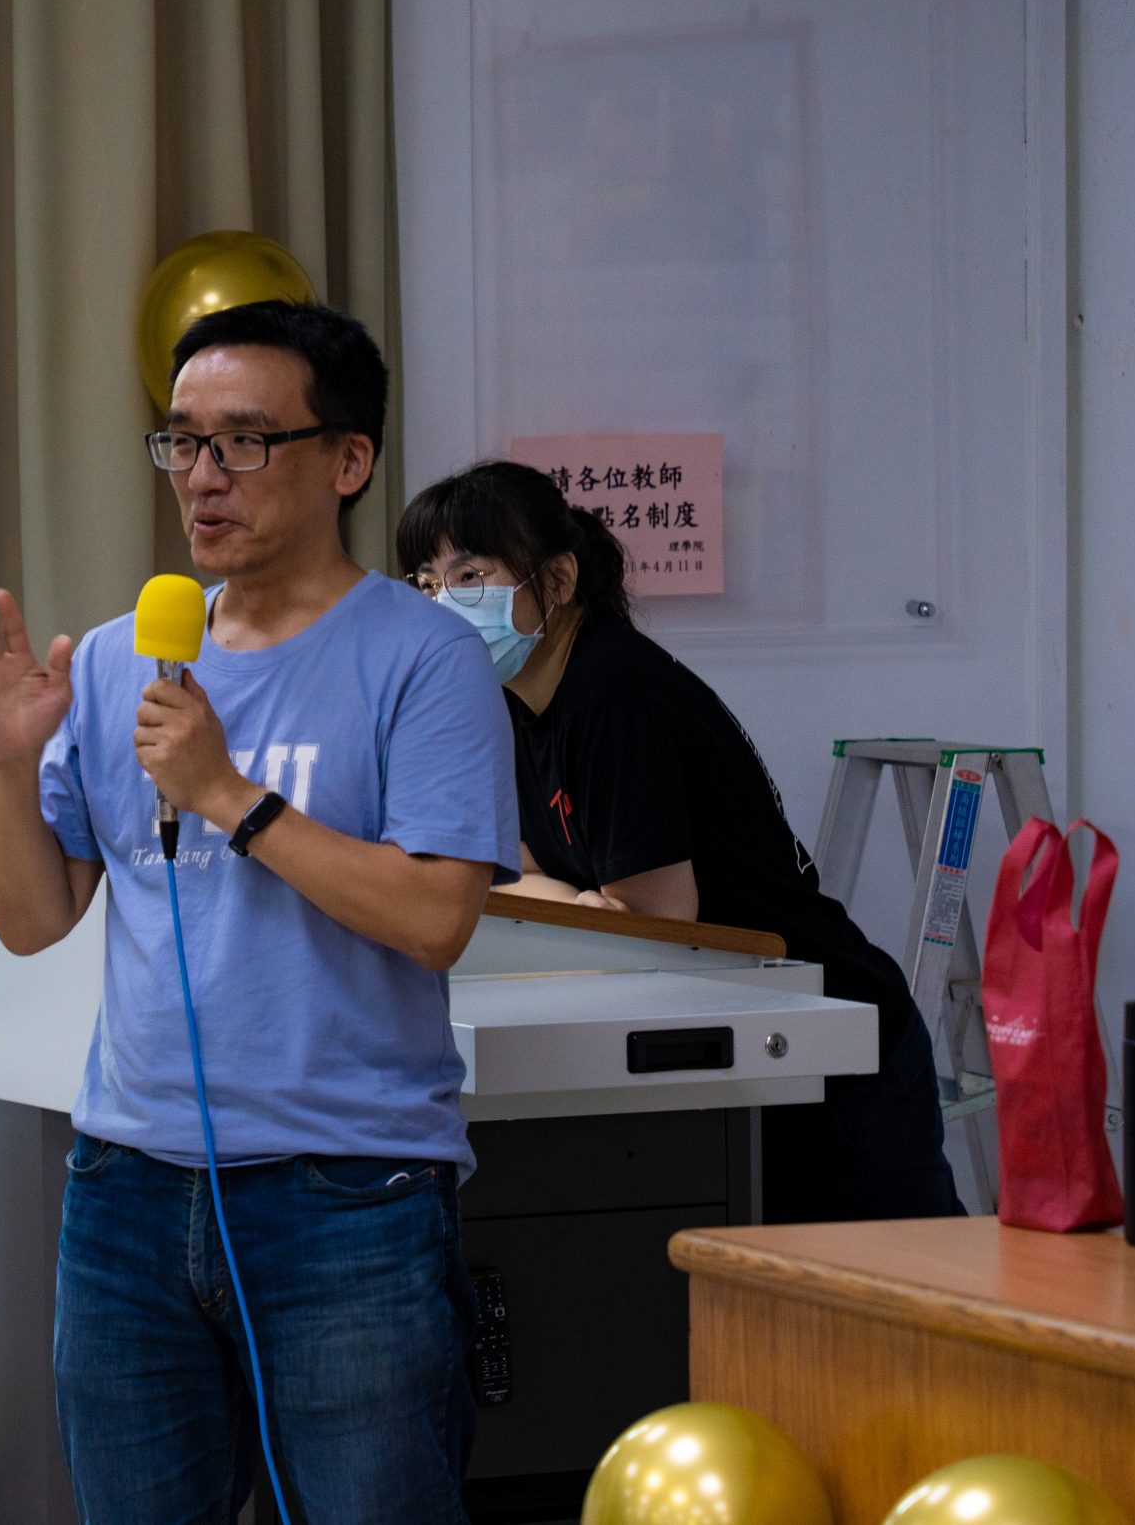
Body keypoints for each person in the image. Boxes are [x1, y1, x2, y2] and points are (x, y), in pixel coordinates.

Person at [0, 301, 517, 1523]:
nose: (203, 477)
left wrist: (230, 798)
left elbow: (435, 919)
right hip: (126, 1190)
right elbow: (33, 920)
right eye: (183, 441)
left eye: (245, 441)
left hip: (346, 1197)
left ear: (346, 460)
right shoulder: (119, 659)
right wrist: (3, 764)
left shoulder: (424, 659)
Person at [397, 459, 962, 1224]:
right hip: (730, 1034)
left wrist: (590, 905)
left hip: (828, 1042)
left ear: (557, 580)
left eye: (469, 576)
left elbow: (657, 920)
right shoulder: (513, 701)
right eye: (425, 583)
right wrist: (585, 903)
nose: (441, 603)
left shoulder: (613, 693)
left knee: (890, 1284)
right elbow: (514, 873)